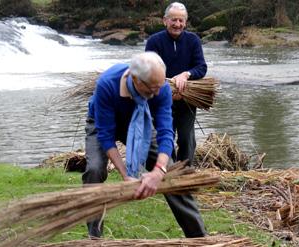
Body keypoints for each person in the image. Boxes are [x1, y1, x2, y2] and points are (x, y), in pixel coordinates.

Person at [82, 51, 207, 239]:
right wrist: (126, 175)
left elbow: (166, 133)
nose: (157, 93)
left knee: (171, 173)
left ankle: (200, 238)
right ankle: (95, 239)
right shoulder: (107, 84)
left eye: (159, 87)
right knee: (94, 170)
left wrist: (159, 171)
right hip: (101, 121)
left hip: (140, 119)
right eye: (151, 90)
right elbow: (106, 136)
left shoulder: (161, 87)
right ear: (135, 79)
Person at [145, 2, 207, 166]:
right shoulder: (154, 41)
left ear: (185, 22)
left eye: (181, 20)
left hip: (188, 99)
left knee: (186, 138)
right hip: (161, 100)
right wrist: (168, 90)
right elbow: (149, 69)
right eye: (173, 20)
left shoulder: (193, 40)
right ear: (165, 20)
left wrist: (186, 74)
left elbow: (201, 67)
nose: (177, 24)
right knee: (166, 137)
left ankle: (185, 171)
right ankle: (170, 171)